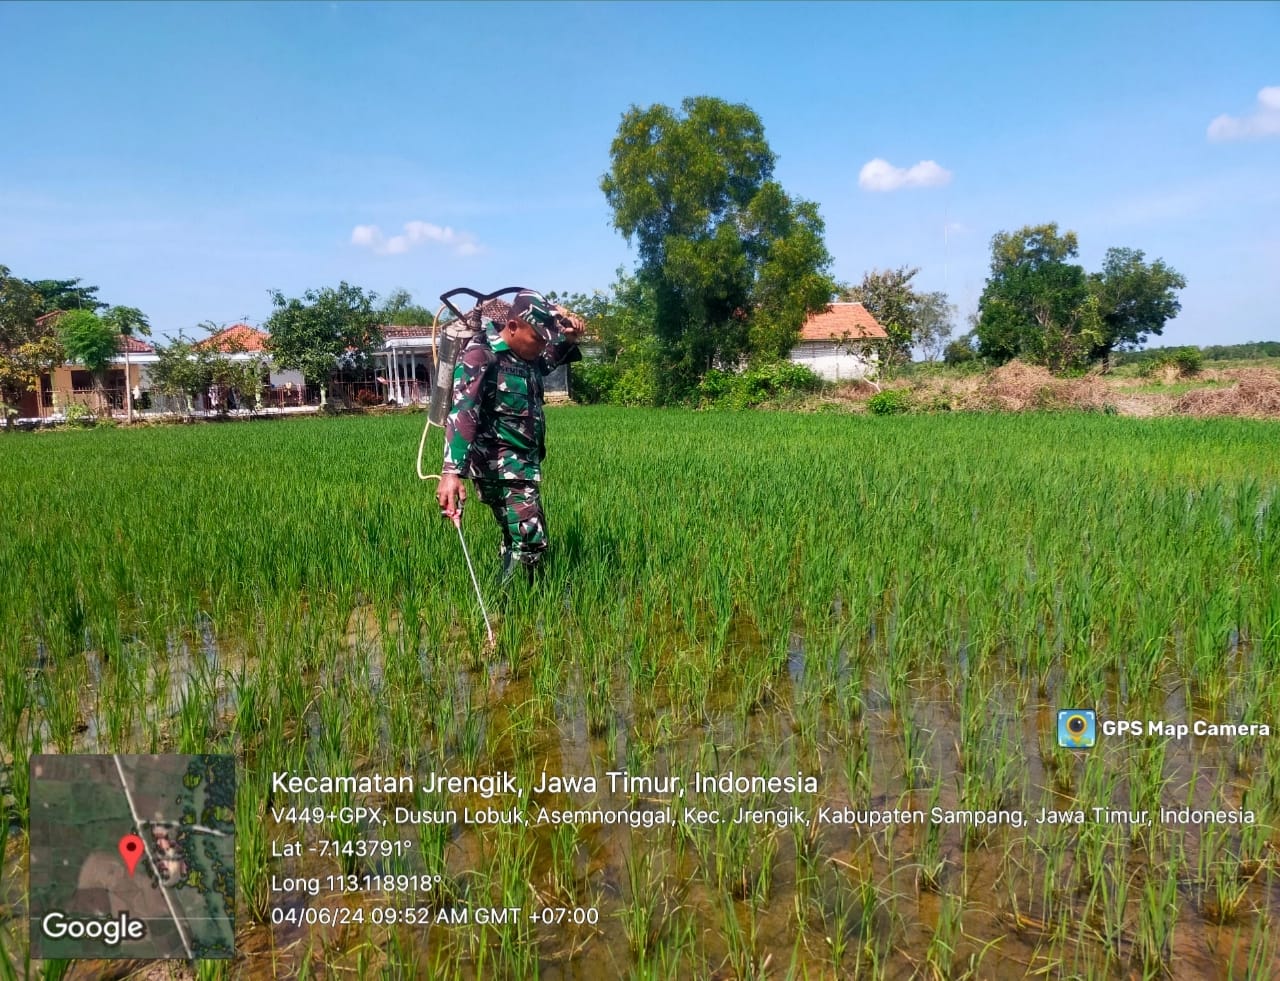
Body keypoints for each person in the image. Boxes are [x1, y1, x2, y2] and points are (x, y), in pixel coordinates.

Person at [436, 290, 584, 585]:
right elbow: (464, 409)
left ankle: (512, 600)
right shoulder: (482, 353)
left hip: (523, 465)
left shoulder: (527, 356)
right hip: (500, 467)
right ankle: (521, 605)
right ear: (513, 327)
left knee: (516, 535)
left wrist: (568, 338)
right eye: (537, 338)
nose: (542, 344)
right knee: (530, 539)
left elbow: (547, 361)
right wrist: (451, 473)